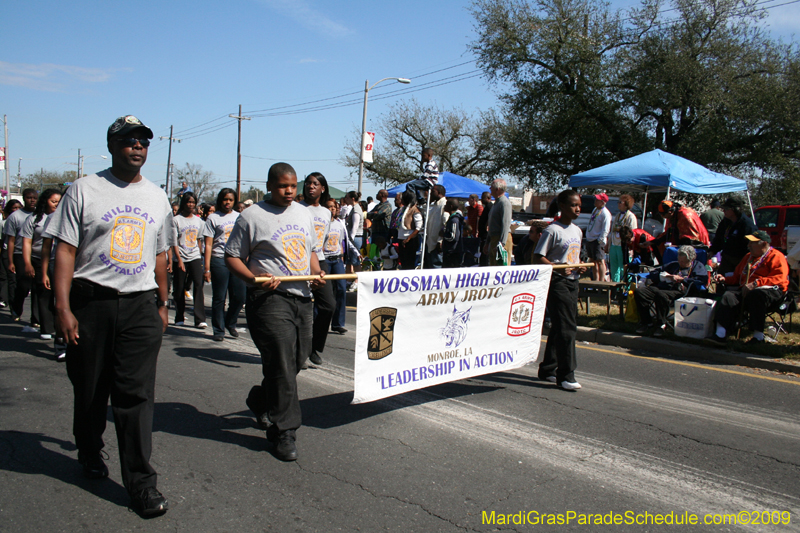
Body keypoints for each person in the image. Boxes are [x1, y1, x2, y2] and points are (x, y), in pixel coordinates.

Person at [47, 115, 173, 516]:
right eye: (128, 140)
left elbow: (159, 255)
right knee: (89, 390)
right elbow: (64, 250)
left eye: (143, 141)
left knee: (135, 396)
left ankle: (141, 483)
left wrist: (163, 303)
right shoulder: (84, 190)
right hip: (91, 304)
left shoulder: (157, 197)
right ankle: (88, 447)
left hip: (140, 306)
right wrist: (63, 308)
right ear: (112, 145)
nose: (137, 146)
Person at [226, 162, 325, 462]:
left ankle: (261, 399)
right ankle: (284, 431)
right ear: (269, 185)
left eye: (293, 186)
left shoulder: (303, 213)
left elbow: (309, 252)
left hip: (302, 297)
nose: (290, 191)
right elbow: (232, 256)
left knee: (297, 358)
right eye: (284, 186)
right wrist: (254, 280)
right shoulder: (251, 216)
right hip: (269, 299)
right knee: (282, 362)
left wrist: (317, 272)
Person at [533, 190, 586, 391]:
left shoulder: (578, 231)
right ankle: (566, 375)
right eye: (573, 205)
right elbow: (537, 257)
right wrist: (561, 269)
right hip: (557, 283)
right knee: (567, 328)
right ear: (562, 206)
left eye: (579, 205)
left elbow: (573, 257)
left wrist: (578, 265)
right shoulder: (552, 230)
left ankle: (548, 369)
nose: (578, 209)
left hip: (573, 282)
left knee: (559, 326)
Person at [705, 230, 789, 346]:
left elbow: (779, 278)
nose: (748, 245)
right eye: (749, 243)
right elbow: (737, 277)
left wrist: (756, 283)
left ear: (764, 244)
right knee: (728, 296)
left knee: (756, 295)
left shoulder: (776, 256)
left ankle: (758, 336)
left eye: (752, 243)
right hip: (746, 290)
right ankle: (720, 334)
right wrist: (725, 279)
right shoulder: (748, 257)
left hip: (771, 291)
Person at [299, 172, 335, 364]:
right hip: (298, 262)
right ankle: (300, 351)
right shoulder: (296, 208)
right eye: (308, 183)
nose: (311, 186)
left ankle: (314, 347)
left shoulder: (326, 212)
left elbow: (324, 238)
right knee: (301, 307)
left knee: (328, 305)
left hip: (319, 261)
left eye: (315, 183)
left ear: (322, 188)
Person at [633, 245, 707, 337]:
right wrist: (665, 276)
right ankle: (647, 322)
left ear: (691, 260)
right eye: (679, 260)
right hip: (664, 287)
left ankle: (661, 324)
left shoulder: (697, 266)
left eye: (683, 262)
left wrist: (682, 280)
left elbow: (702, 280)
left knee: (661, 295)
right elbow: (654, 273)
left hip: (681, 291)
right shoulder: (674, 265)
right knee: (639, 292)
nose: (680, 263)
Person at [203, 188, 245, 342]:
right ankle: (218, 330)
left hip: (236, 259)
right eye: (225, 199)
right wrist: (206, 268)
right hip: (219, 260)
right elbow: (208, 245)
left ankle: (230, 322)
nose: (227, 202)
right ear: (220, 200)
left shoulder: (239, 217)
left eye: (231, 200)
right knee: (219, 297)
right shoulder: (213, 218)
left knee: (240, 296)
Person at [20, 189, 61, 342]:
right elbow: (27, 242)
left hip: (58, 261)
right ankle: (46, 326)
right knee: (43, 293)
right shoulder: (35, 219)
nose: (56, 204)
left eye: (59, 201)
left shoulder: (63, 217)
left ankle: (57, 326)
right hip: (39, 259)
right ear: (45, 202)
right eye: (53, 201)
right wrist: (27, 263)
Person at [171, 192, 207, 328]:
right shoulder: (176, 220)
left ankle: (200, 319)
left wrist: (200, 257)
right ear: (183, 203)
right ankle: (179, 316)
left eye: (193, 202)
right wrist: (178, 260)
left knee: (198, 285)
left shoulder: (199, 221)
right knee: (179, 288)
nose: (191, 204)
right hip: (180, 256)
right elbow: (174, 242)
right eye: (188, 202)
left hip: (195, 257)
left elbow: (199, 240)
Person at [323, 198, 357, 334]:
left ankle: (338, 323)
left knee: (341, 289)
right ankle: (321, 322)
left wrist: (343, 256)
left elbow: (343, 242)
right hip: (324, 260)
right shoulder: (322, 224)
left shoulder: (339, 224)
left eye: (334, 207)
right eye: (329, 207)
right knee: (324, 292)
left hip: (337, 260)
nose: (333, 209)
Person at [6, 189, 39, 326]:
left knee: (38, 287)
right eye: (29, 197)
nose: (32, 200)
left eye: (34, 198)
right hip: (19, 254)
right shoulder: (15, 216)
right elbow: (11, 240)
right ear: (24, 199)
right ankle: (16, 308)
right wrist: (10, 261)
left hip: (36, 254)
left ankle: (36, 319)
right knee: (24, 285)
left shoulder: (41, 215)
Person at [645, 201, 709, 263]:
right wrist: (652, 242)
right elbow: (669, 232)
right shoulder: (674, 215)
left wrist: (676, 245)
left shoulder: (685, 215)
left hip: (696, 243)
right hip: (685, 242)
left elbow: (690, 237)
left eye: (663, 214)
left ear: (670, 212)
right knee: (660, 246)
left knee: (669, 250)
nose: (662, 217)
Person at [709, 197, 757, 276]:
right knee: (721, 279)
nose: (724, 211)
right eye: (723, 208)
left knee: (738, 281)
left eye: (727, 208)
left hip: (741, 260)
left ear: (736, 209)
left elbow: (752, 245)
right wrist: (712, 251)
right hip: (727, 258)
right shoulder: (725, 222)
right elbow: (718, 238)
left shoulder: (747, 225)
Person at [609, 194, 637, 282]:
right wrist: (608, 244)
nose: (618, 204)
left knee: (624, 267)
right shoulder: (617, 215)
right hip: (614, 244)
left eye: (620, 202)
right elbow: (612, 230)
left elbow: (633, 233)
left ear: (626, 204)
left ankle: (626, 287)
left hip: (623, 246)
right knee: (614, 267)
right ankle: (615, 287)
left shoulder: (631, 216)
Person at [584, 193, 612, 281]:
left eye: (598, 200)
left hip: (597, 240)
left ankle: (601, 280)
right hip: (590, 238)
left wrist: (600, 240)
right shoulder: (595, 210)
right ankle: (595, 280)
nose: (595, 201)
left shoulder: (605, 213)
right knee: (593, 261)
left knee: (600, 261)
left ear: (602, 202)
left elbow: (606, 229)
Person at [1, 199, 23, 310]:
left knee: (21, 280)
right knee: (11, 278)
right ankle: (10, 303)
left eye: (18, 207)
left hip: (21, 252)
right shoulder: (5, 222)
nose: (16, 210)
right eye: (14, 208)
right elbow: (6, 240)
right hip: (8, 252)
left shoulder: (27, 219)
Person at [485, 179, 512, 266]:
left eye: (492, 187)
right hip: (494, 239)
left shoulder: (504, 203)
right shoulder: (496, 203)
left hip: (502, 239)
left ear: (498, 189)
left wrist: (501, 244)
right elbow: (491, 224)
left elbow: (505, 225)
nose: (490, 189)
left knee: (502, 268)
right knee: (493, 268)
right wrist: (487, 243)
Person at [423, 184, 447, 268]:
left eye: (433, 191)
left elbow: (445, 225)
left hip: (437, 244)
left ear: (439, 192)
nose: (431, 194)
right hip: (430, 242)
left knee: (436, 268)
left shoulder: (444, 204)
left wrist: (440, 241)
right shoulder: (435, 206)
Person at [397, 191, 422, 270]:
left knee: (409, 263)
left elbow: (418, 227)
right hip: (401, 238)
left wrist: (408, 239)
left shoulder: (415, 210)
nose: (401, 200)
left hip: (410, 240)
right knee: (403, 262)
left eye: (402, 199)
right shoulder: (403, 209)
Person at [343, 191, 363, 285]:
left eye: (347, 197)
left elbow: (355, 227)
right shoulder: (353, 208)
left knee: (355, 261)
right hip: (351, 238)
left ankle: (357, 281)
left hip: (355, 238)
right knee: (349, 260)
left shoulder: (356, 210)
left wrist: (350, 241)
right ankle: (348, 280)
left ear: (352, 198)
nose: (345, 199)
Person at [442, 198, 465, 268]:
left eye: (446, 205)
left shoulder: (454, 220)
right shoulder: (452, 219)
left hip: (452, 252)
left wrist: (443, 235)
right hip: (451, 251)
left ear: (451, 206)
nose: (444, 206)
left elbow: (453, 237)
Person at [478, 191, 493, 266]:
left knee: (485, 255)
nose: (481, 199)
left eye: (483, 198)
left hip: (486, 236)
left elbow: (490, 220)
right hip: (482, 235)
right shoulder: (486, 207)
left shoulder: (490, 207)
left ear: (488, 198)